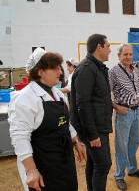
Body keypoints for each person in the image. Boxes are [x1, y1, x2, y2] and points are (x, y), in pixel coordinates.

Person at [8, 47, 86, 191]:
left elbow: (65, 123)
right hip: (43, 164)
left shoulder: (58, 94)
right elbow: (19, 137)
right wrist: (31, 170)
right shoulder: (25, 99)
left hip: (63, 160)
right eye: (55, 68)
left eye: (60, 68)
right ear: (40, 72)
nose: (61, 72)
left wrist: (75, 141)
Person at [70, 34, 113, 191]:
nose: (110, 50)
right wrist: (92, 134)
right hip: (94, 129)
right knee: (103, 164)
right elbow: (83, 104)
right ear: (99, 47)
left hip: (99, 125)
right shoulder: (87, 69)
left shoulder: (97, 67)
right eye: (108, 46)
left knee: (94, 163)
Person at [108, 44, 139, 191]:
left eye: (130, 54)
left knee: (134, 142)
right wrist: (116, 107)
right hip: (123, 113)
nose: (128, 57)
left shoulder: (136, 70)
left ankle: (132, 169)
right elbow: (106, 92)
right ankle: (119, 175)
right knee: (121, 145)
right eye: (125, 54)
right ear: (119, 56)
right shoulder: (113, 72)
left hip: (137, 112)